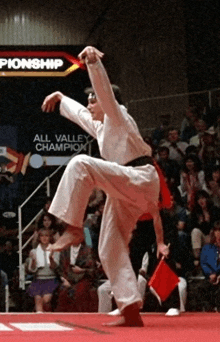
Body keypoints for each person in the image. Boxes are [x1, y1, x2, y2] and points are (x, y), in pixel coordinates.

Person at [41, 46, 169, 327]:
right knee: (109, 246)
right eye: (87, 97)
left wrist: (93, 64)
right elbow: (80, 115)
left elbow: (106, 95)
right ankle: (130, 308)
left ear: (107, 100)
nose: (89, 101)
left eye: (92, 98)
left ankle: (73, 227)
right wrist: (62, 98)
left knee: (81, 164)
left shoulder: (118, 114)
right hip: (127, 187)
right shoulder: (102, 126)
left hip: (140, 176)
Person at [26, 228, 60, 313]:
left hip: (51, 279)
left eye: (46, 235)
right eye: (42, 235)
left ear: (50, 237)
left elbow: (55, 267)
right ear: (39, 238)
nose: (44, 238)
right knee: (38, 299)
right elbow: (32, 270)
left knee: (46, 300)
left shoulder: (55, 250)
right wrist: (33, 260)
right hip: (38, 279)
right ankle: (39, 319)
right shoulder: (34, 251)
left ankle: (46, 315)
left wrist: (50, 258)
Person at [199, 221, 220, 311]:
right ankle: (208, 311)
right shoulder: (207, 248)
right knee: (201, 288)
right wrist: (210, 274)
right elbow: (203, 263)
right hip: (210, 277)